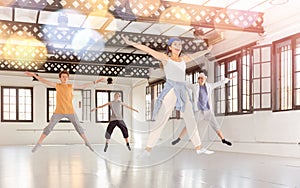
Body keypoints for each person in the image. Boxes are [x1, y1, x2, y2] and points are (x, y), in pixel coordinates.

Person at [122, 35, 213, 155]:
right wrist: (130, 42)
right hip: (170, 90)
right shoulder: (165, 58)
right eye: (175, 44)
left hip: (182, 91)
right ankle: (148, 148)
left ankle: (199, 147)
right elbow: (148, 50)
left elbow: (195, 55)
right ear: (170, 47)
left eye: (180, 45)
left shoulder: (183, 59)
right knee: (161, 121)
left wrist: (207, 50)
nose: (178, 47)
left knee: (190, 119)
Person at [25, 70, 104, 152]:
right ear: (60, 78)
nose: (65, 78)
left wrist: (95, 82)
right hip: (59, 111)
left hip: (70, 111)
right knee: (49, 127)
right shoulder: (57, 85)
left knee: (78, 127)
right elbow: (45, 81)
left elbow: (83, 86)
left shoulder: (70, 86)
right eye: (63, 77)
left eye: (66, 77)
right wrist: (34, 75)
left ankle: (87, 142)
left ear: (68, 78)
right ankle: (38, 144)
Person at [171, 72, 234, 147]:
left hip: (208, 112)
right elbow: (186, 83)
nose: (200, 80)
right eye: (199, 78)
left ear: (205, 79)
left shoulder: (209, 86)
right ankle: (178, 139)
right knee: (190, 124)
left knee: (216, 126)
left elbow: (219, 83)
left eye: (202, 78)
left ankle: (223, 140)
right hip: (199, 112)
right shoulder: (195, 87)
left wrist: (228, 79)